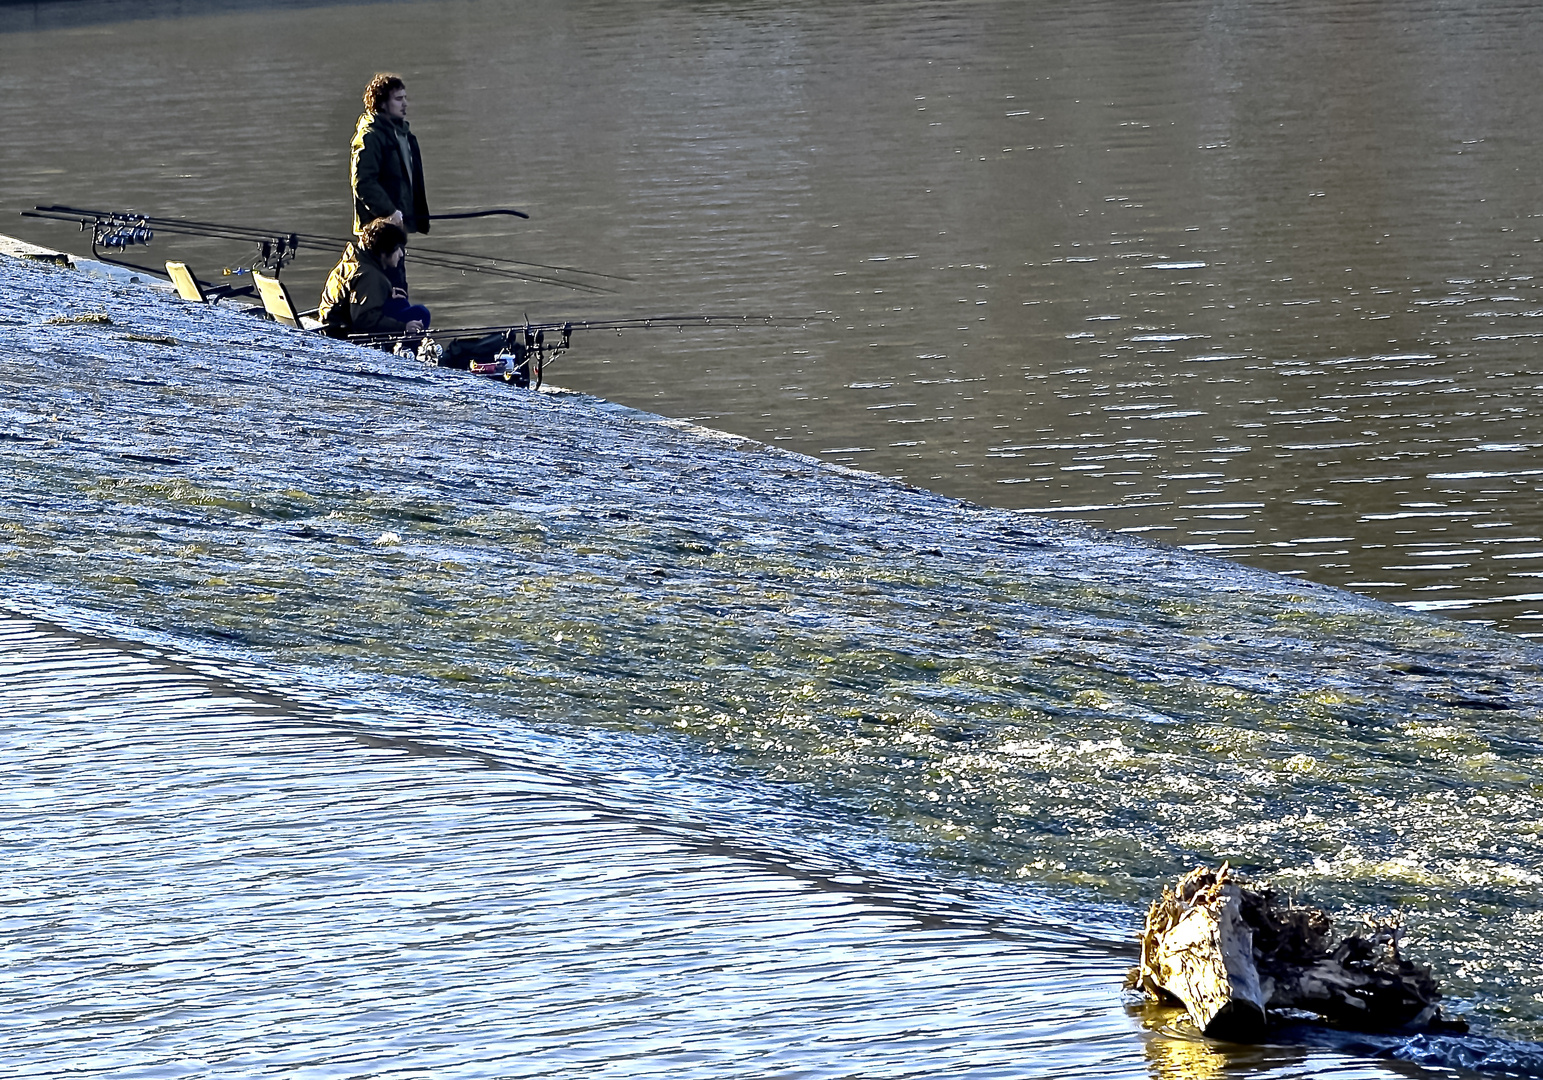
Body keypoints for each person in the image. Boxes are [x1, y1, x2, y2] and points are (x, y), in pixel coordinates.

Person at [317, 218, 431, 343]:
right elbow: (363, 321)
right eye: (398, 249)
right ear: (384, 251)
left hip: (332, 323)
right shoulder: (370, 276)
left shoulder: (355, 258)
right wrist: (403, 328)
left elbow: (357, 295)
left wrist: (385, 293)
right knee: (420, 313)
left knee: (400, 303)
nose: (401, 254)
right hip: (342, 333)